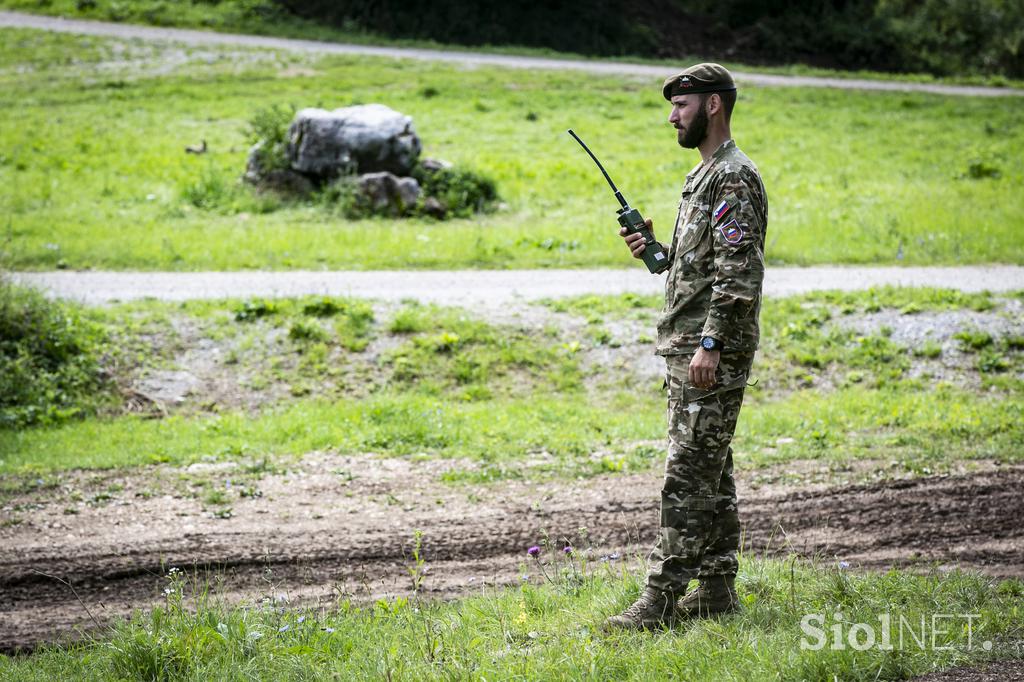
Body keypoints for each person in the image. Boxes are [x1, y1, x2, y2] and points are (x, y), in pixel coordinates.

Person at [606, 63, 767, 630]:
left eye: (682, 105)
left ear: (713, 106)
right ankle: (718, 589)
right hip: (690, 345)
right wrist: (657, 251)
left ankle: (659, 600)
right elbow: (704, 269)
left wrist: (711, 344)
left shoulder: (733, 177)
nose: (673, 116)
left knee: (686, 475)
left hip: (708, 351)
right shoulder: (704, 176)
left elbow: (738, 273)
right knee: (711, 467)